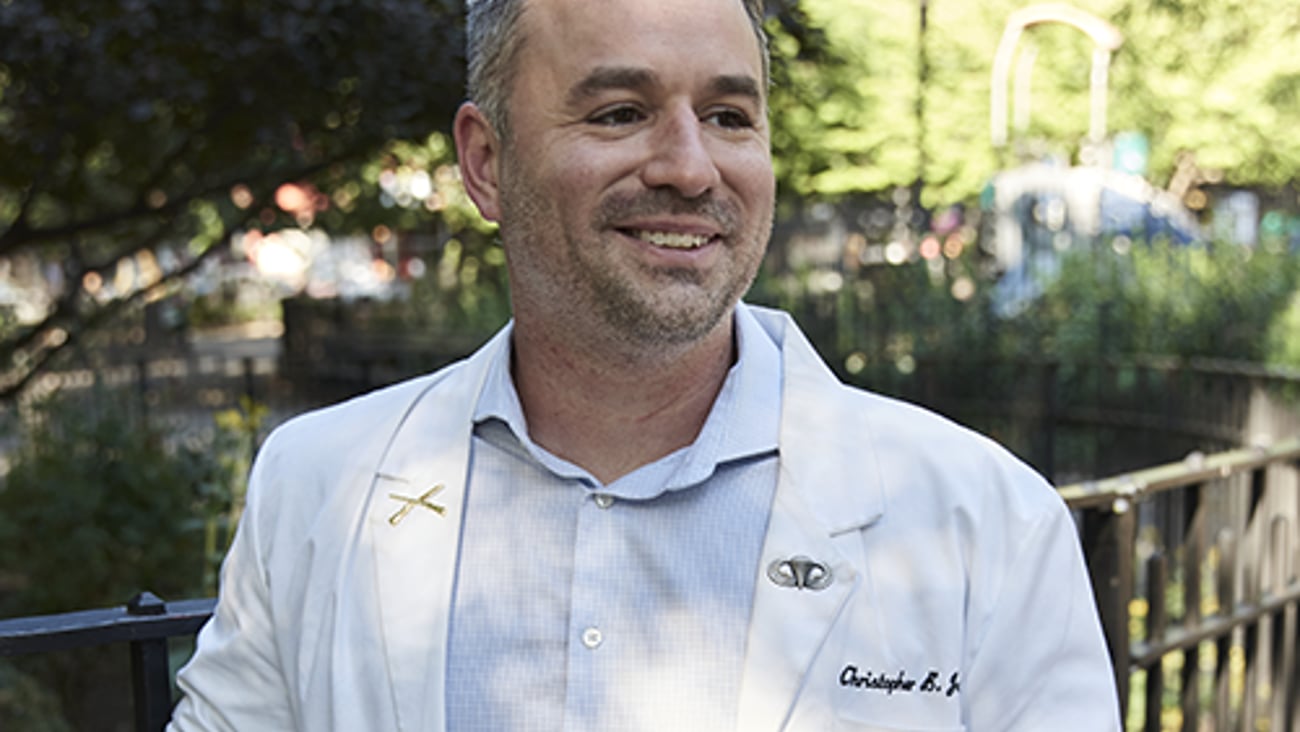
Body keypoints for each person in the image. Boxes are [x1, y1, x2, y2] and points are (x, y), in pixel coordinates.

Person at [168, 0, 1122, 729]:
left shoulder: (986, 523)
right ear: (486, 162)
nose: (691, 167)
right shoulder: (316, 486)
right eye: (622, 112)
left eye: (730, 117)